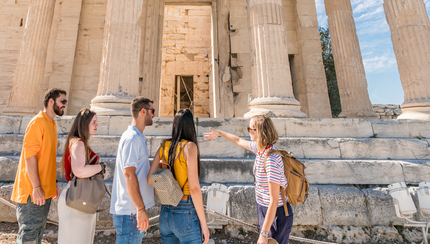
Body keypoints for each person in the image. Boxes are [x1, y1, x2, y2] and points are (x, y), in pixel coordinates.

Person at [205, 115, 293, 244]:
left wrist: (264, 233)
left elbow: (274, 201)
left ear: (259, 131)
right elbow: (239, 140)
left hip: (276, 214)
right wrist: (219, 133)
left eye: (250, 128)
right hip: (264, 209)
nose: (248, 131)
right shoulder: (260, 149)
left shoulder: (271, 160)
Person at [11, 88, 67, 244]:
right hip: (32, 191)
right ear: (51, 101)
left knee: (36, 233)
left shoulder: (51, 124)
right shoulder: (38, 122)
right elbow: (30, 156)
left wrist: (52, 183)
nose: (65, 105)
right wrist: (36, 187)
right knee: (30, 234)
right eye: (62, 101)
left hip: (43, 190)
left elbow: (46, 158)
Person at [148, 109, 209, 244]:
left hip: (165, 212)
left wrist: (168, 180)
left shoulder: (164, 146)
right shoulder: (189, 147)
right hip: (184, 210)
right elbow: (194, 188)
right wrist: (204, 224)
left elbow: (150, 179)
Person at [111, 97, 156, 244]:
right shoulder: (132, 138)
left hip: (131, 212)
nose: (154, 115)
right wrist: (140, 209)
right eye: (152, 111)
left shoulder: (137, 137)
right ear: (143, 111)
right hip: (130, 213)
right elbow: (129, 174)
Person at [58, 108, 104, 244]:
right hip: (76, 198)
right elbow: (79, 171)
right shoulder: (78, 143)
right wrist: (100, 167)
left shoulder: (77, 142)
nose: (97, 125)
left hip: (79, 197)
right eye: (94, 122)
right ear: (85, 123)